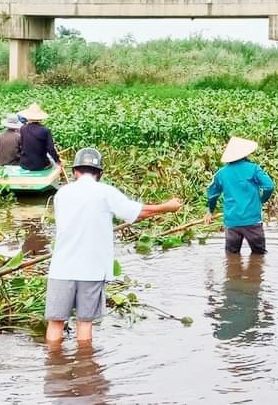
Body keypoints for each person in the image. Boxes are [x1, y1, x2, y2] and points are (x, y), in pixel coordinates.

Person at [45, 148, 182, 346]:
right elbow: (138, 213)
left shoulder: (62, 193)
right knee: (84, 323)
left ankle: (54, 366)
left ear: (76, 172)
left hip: (61, 268)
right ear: (99, 173)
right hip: (91, 270)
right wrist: (166, 207)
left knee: (55, 322)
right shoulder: (105, 192)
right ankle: (86, 370)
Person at [204, 137, 276, 255]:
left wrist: (210, 211)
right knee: (259, 256)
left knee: (232, 257)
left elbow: (212, 194)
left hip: (232, 222)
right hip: (252, 221)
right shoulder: (253, 169)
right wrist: (262, 200)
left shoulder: (221, 174)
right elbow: (269, 186)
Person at [19, 103, 61, 172]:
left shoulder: (22, 128)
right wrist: (58, 161)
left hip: (24, 164)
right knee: (51, 163)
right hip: (40, 165)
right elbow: (51, 149)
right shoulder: (45, 130)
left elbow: (22, 145)